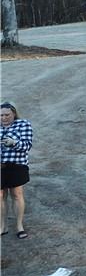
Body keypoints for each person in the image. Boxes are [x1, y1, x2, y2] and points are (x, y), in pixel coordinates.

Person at [0, 102, 33, 239]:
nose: (4, 118)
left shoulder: (23, 124)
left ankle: (19, 226)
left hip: (17, 165)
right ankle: (3, 226)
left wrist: (14, 143)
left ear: (14, 113)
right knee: (0, 196)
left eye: (7, 115)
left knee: (16, 195)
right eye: (1, 115)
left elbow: (27, 146)